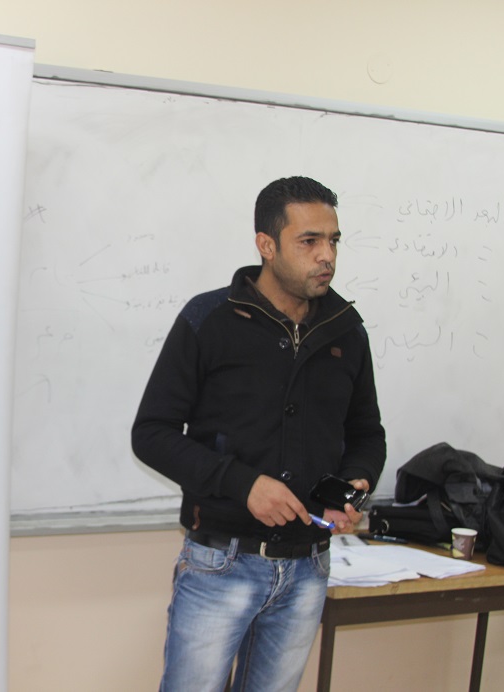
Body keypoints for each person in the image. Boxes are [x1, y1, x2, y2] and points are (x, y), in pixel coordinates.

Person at [131, 176, 385, 692]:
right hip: (220, 562)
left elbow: (366, 432)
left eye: (333, 240)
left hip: (309, 566)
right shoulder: (209, 320)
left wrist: (356, 481)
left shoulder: (346, 330)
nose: (327, 256)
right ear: (266, 246)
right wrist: (243, 484)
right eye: (309, 241)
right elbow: (152, 433)